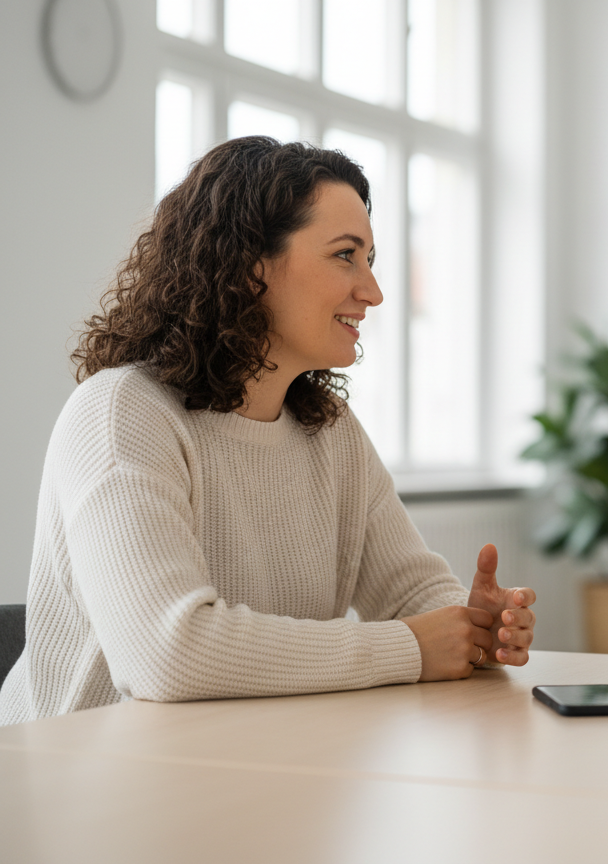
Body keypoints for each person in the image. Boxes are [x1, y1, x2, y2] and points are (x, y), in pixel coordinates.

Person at [0, 137, 536, 725]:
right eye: (344, 256)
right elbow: (166, 654)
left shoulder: (329, 431)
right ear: (250, 265)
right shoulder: (122, 413)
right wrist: (411, 646)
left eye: (371, 261)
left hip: (249, 768)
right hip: (75, 787)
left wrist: (475, 623)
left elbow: (412, 596)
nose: (373, 292)